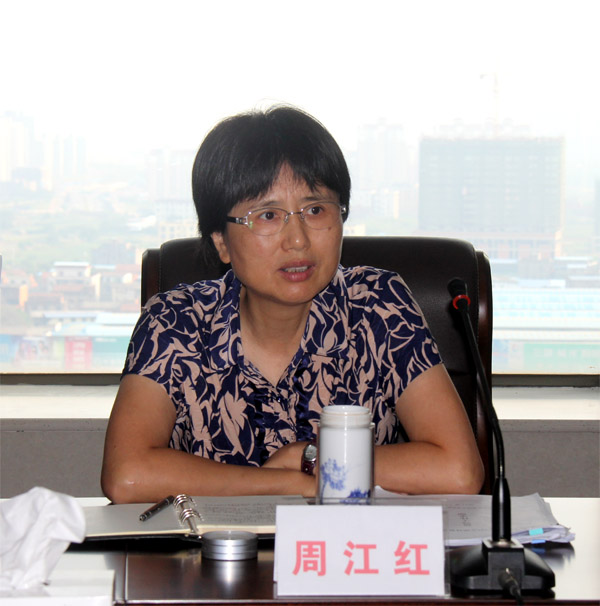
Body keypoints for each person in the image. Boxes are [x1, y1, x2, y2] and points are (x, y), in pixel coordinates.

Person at [101, 106, 484, 504]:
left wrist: (309, 457)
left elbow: (459, 471)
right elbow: (127, 476)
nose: (298, 240)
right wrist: (297, 482)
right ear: (221, 241)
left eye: (315, 210)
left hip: (348, 543)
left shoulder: (379, 306)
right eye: (268, 215)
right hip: (215, 546)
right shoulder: (174, 321)